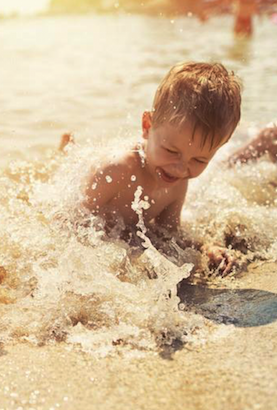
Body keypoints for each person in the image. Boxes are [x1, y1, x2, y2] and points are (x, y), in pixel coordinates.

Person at [67, 62, 243, 275]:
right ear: (147, 127)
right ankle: (68, 147)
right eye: (170, 151)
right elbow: (71, 221)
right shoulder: (116, 169)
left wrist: (206, 248)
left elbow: (168, 233)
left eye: (199, 160)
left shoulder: (177, 182)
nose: (180, 168)